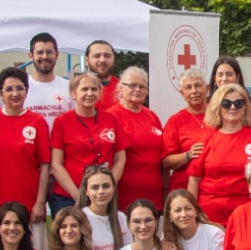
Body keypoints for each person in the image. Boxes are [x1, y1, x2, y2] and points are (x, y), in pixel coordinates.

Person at [0, 66, 52, 247]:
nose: (15, 93)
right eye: (9, 89)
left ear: (26, 91)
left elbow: (44, 165)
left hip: (28, 200)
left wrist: (40, 202)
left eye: (20, 88)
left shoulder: (37, 122)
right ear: (0, 94)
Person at [49, 72, 128, 212]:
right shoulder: (62, 122)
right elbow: (56, 164)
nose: (90, 93)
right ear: (73, 94)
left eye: (94, 89)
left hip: (103, 197)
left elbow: (120, 159)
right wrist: (78, 195)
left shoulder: (111, 119)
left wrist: (107, 187)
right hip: (68, 197)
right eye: (84, 89)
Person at [188, 83, 251, 224]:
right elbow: (194, 180)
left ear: (245, 108)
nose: (233, 107)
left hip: (247, 215)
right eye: (226, 103)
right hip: (210, 217)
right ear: (218, 107)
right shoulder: (206, 139)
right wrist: (193, 214)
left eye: (238, 103)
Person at [111, 67, 166, 209]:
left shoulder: (152, 116)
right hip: (124, 198)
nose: (138, 89)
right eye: (132, 85)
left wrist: (166, 190)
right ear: (120, 89)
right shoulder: (111, 117)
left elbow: (162, 159)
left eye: (142, 86)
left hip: (154, 197)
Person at [162, 69, 211, 193]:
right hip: (184, 189)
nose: (194, 91)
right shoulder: (175, 121)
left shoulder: (220, 115)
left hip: (213, 188)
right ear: (182, 93)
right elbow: (166, 161)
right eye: (188, 87)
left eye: (198, 85)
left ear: (207, 88)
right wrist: (188, 155)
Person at [77, 163, 130, 250]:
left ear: (113, 188)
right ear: (86, 191)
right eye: (95, 187)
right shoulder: (79, 218)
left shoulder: (121, 217)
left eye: (106, 186)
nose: (101, 191)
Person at [25, 32, 73, 127]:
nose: (45, 56)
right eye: (40, 52)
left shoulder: (69, 87)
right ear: (31, 56)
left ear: (57, 54)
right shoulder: (22, 87)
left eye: (49, 52)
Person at [84, 39, 119, 109]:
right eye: (97, 56)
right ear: (87, 61)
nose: (102, 60)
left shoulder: (124, 89)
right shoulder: (76, 88)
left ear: (113, 59)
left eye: (107, 56)